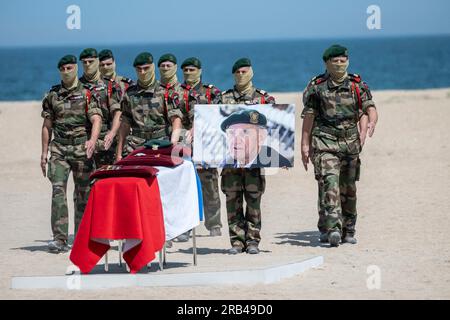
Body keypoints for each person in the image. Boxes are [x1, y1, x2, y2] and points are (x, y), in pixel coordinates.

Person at [301, 44, 378, 247]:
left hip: (350, 144)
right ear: (327, 63)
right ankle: (333, 228)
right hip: (325, 142)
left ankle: (349, 229)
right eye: (335, 61)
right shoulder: (317, 86)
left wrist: (371, 120)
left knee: (348, 188)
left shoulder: (356, 85)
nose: (339, 64)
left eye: (343, 61)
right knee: (330, 183)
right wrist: (304, 144)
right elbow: (309, 116)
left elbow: (369, 106)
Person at [41, 54, 102, 253]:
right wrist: (44, 153)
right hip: (59, 149)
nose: (66, 72)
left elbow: (96, 119)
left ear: (76, 68)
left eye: (69, 68)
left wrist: (92, 141)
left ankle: (82, 237)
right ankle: (59, 239)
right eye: (63, 69)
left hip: (80, 150)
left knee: (83, 194)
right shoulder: (53, 95)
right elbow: (47, 125)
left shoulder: (87, 93)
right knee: (58, 191)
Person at [221, 58, 276, 254]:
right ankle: (237, 242)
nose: (241, 75)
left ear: (251, 72)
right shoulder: (223, 98)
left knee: (254, 202)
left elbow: (272, 131)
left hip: (254, 165)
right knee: (232, 202)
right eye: (238, 72)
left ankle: (252, 241)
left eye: (245, 72)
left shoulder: (264, 100)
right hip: (230, 165)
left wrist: (284, 156)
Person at [179, 57, 223, 237]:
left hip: (206, 143)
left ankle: (214, 224)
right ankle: (186, 226)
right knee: (184, 184)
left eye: (192, 70)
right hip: (182, 142)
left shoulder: (211, 92)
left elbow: (220, 115)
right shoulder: (176, 92)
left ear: (200, 71)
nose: (189, 73)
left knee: (209, 184)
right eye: (186, 71)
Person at [117, 52, 183, 160]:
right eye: (139, 69)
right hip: (136, 146)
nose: (143, 72)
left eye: (146, 68)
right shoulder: (129, 94)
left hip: (160, 144)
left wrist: (173, 144)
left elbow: (176, 119)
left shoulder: (165, 92)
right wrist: (119, 153)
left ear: (152, 67)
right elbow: (125, 123)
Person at [79, 48, 122, 167]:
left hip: (105, 142)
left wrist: (112, 133)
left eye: (91, 61)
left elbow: (118, 112)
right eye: (84, 62)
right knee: (84, 184)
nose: (88, 65)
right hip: (83, 142)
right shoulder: (78, 86)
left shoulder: (109, 85)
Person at [221, 109, 292, 168]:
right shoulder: (226, 164)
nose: (236, 140)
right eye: (231, 133)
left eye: (245, 132)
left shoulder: (278, 164)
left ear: (260, 138)